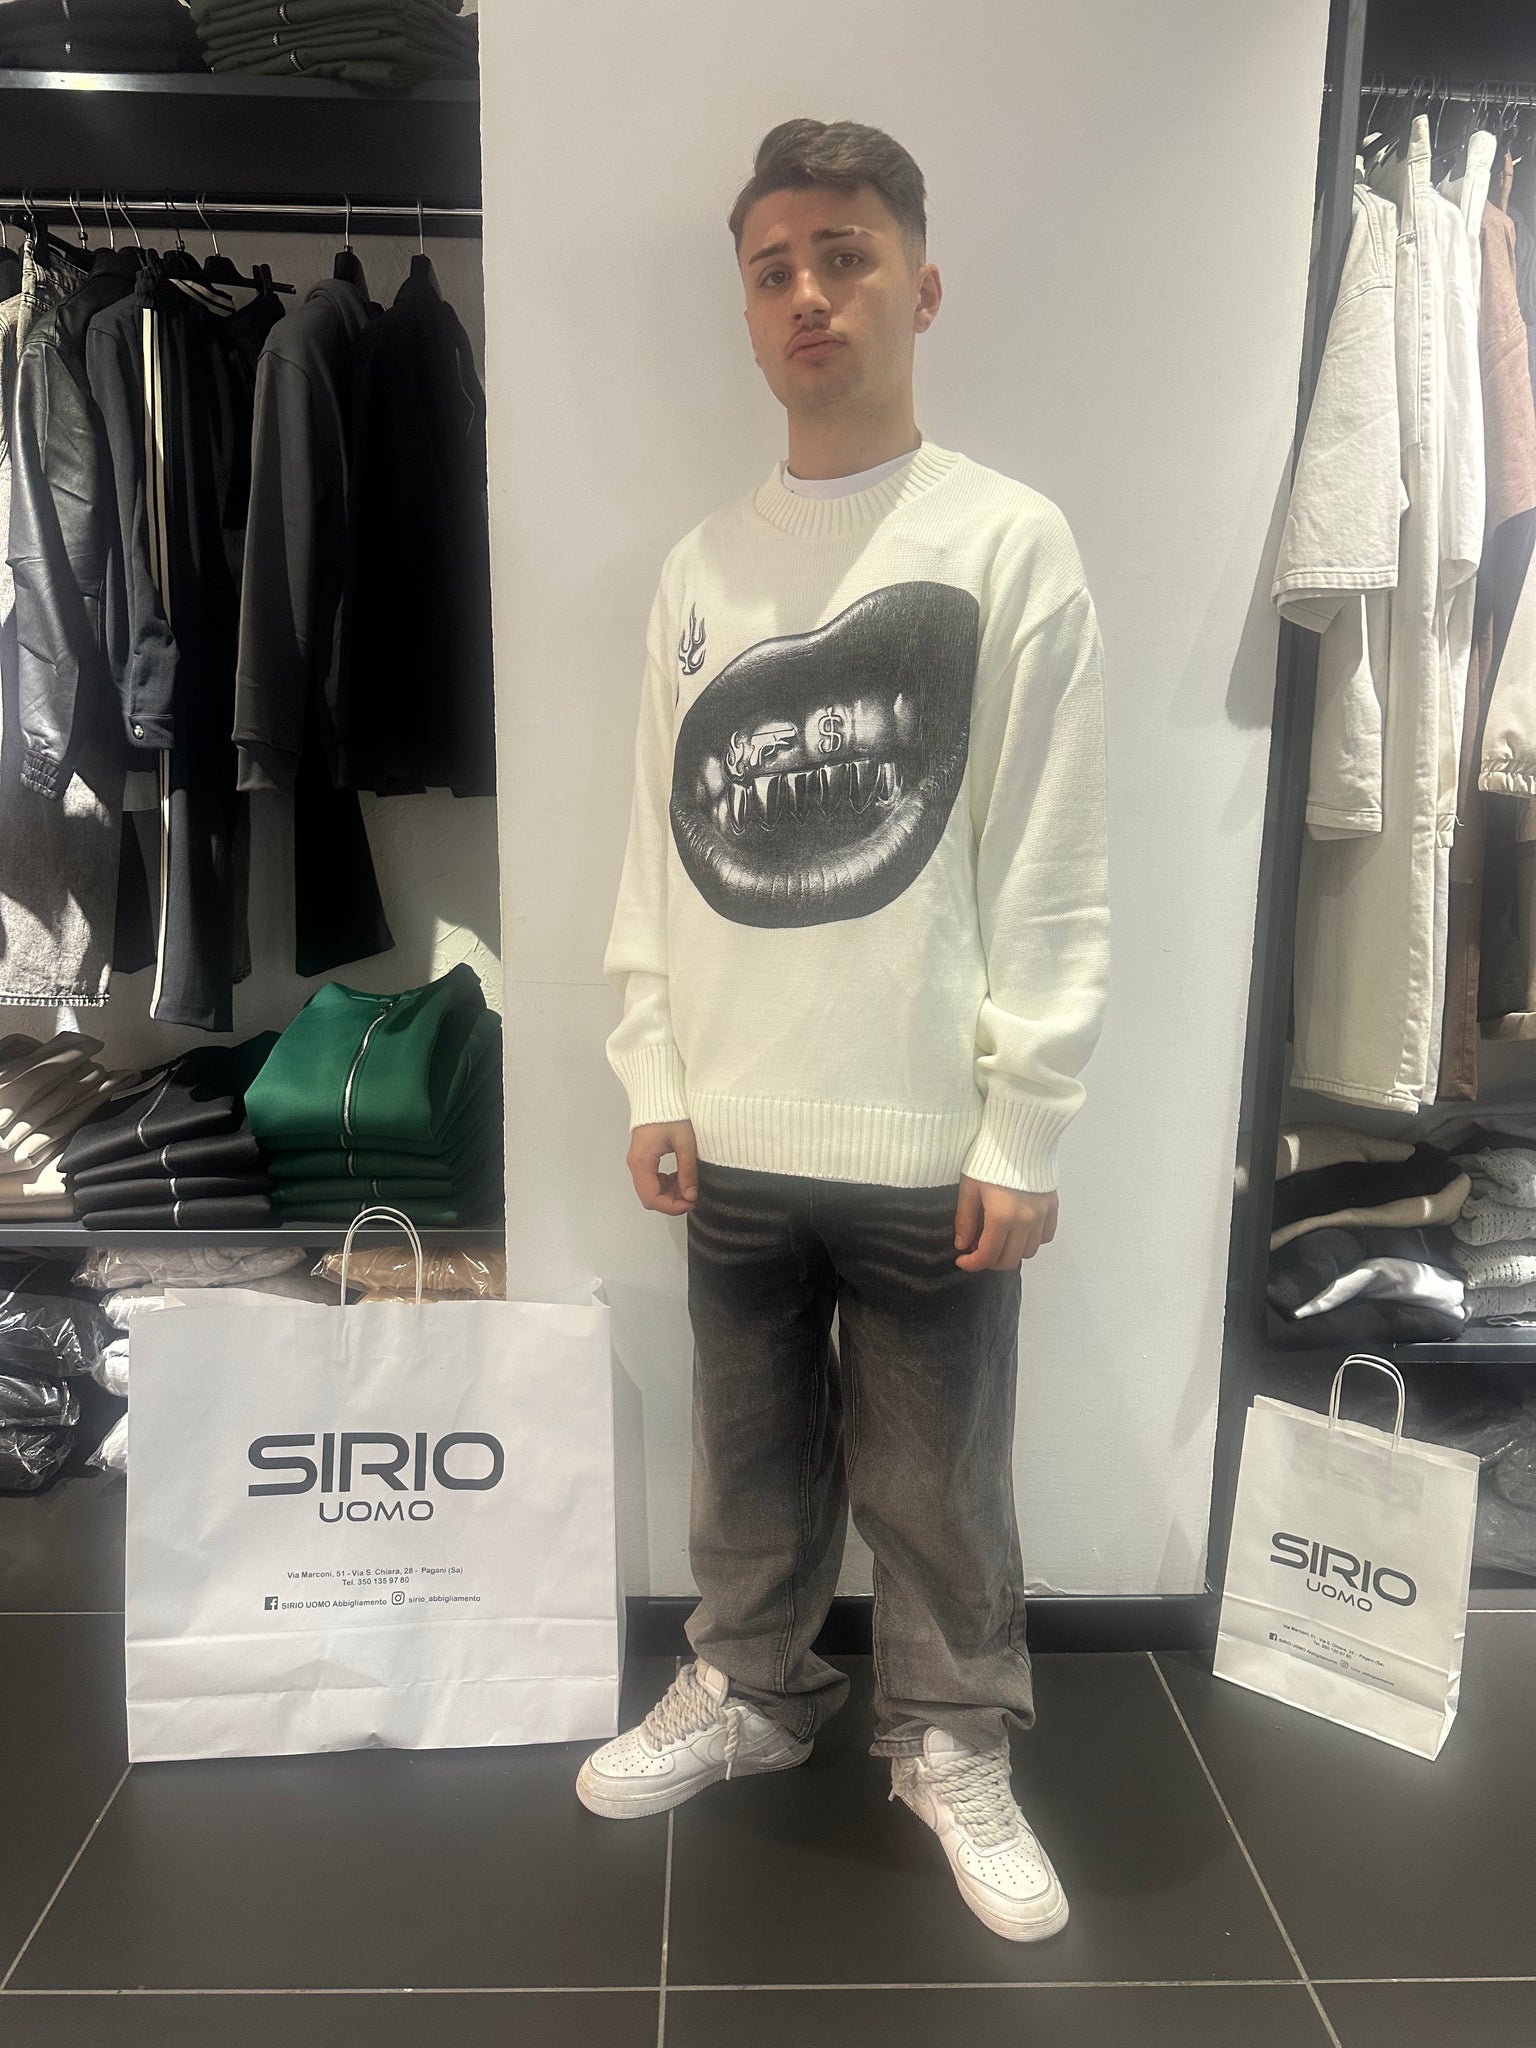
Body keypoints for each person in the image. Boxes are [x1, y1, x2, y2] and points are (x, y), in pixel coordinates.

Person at [579, 116, 1110, 1946]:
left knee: (939, 1482)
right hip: (730, 1118)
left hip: (922, 1130)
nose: (808, 293)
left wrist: (1024, 1121)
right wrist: (653, 1068)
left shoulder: (1009, 544)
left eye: (846, 256)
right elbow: (654, 843)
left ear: (922, 287)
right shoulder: (698, 572)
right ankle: (750, 1686)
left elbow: (1052, 856)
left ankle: (952, 1737)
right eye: (774, 268)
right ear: (746, 311)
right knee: (745, 1459)